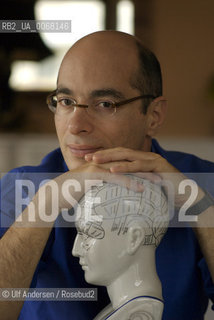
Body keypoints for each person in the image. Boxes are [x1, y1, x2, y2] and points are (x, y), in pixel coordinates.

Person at [0, 30, 214, 320]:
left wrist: (200, 208)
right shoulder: (21, 189)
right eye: (65, 101)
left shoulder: (200, 182)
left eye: (104, 104)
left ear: (153, 115)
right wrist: (43, 207)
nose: (75, 126)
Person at [72, 177, 169, 320]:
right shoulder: (121, 309)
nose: (75, 250)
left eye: (88, 234)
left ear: (134, 239)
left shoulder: (137, 315)